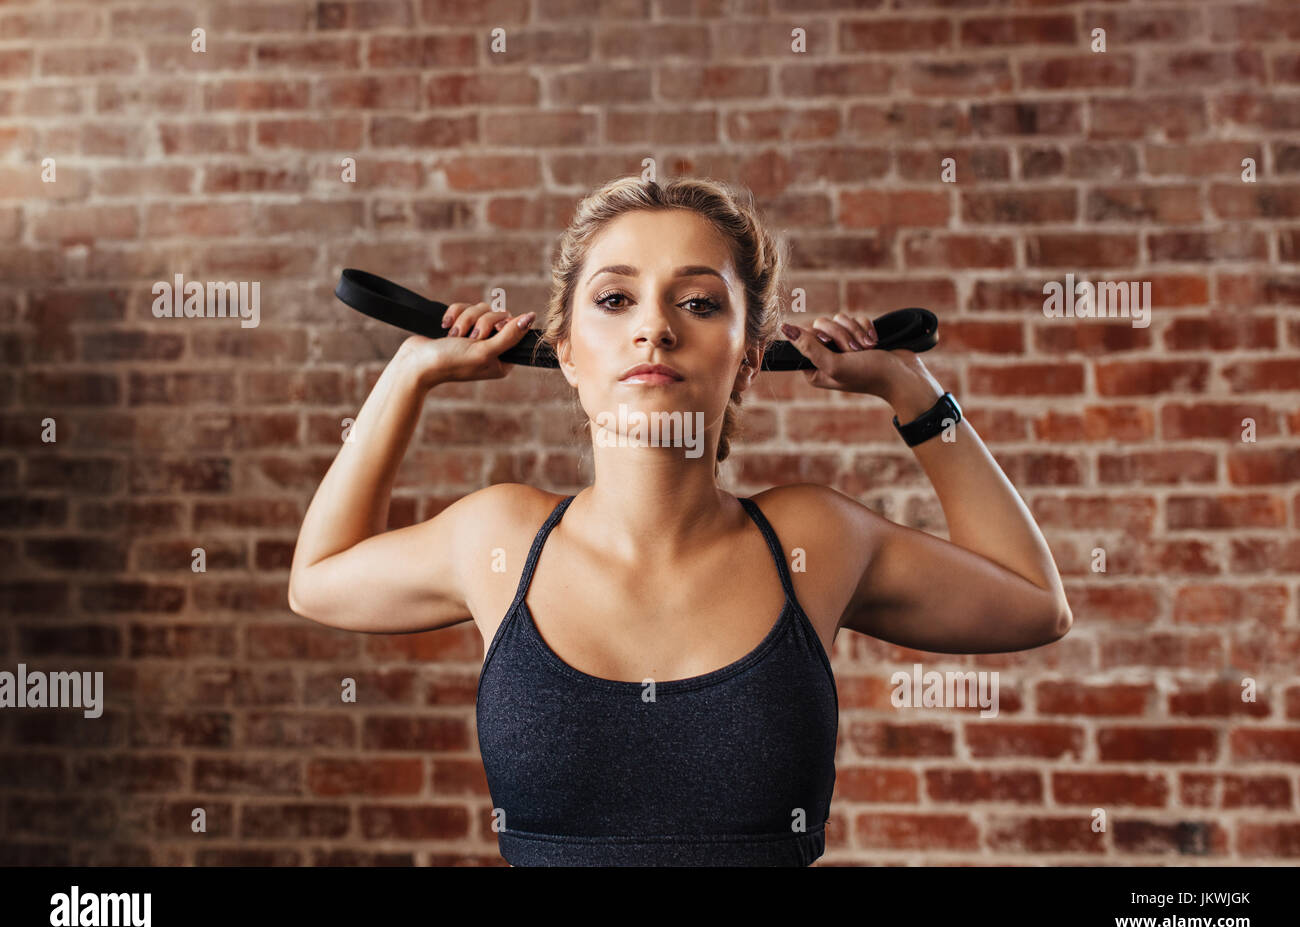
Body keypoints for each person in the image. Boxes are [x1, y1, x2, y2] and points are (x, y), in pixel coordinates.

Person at [288, 175, 1073, 866]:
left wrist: (914, 395)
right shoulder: (499, 540)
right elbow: (317, 582)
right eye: (615, 299)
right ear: (564, 351)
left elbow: (1035, 604)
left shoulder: (811, 540)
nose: (654, 328)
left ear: (750, 355)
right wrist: (409, 375)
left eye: (698, 303)